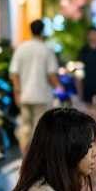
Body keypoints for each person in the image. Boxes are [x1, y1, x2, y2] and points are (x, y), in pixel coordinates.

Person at [9, 20, 61, 153]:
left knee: (24, 128)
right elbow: (52, 75)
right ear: (43, 32)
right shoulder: (46, 50)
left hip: (24, 95)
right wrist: (58, 88)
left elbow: (14, 73)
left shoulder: (21, 48)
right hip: (42, 96)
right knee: (40, 129)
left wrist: (17, 91)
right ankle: (37, 161)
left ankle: (24, 158)